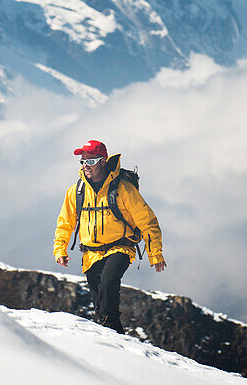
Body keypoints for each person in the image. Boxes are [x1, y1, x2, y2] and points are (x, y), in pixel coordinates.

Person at [53, 139, 166, 333]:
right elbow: (65, 222)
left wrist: (155, 254)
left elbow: (147, 221)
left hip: (120, 248)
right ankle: (115, 338)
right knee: (100, 307)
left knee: (108, 284)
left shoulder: (123, 189)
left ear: (103, 161)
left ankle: (114, 338)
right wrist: (60, 249)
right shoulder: (76, 191)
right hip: (90, 254)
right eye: (82, 162)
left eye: (90, 161)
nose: (85, 166)